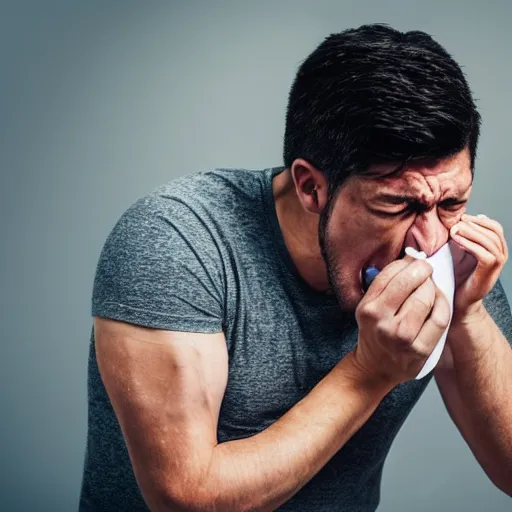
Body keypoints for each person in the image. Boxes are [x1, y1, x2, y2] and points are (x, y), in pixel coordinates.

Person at [79, 24, 512, 511]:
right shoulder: (177, 242)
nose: (429, 239)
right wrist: (370, 373)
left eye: (453, 202)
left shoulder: (453, 254)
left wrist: (468, 315)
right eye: (397, 206)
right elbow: (186, 500)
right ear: (311, 188)